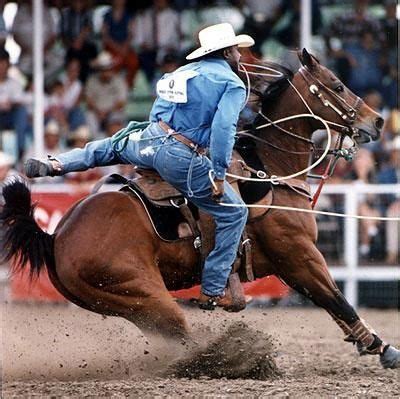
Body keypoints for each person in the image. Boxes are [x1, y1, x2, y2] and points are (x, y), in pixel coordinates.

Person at [24, 23, 254, 310]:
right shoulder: (231, 84)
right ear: (228, 52)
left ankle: (57, 162)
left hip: (150, 140)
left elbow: (158, 112)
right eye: (237, 50)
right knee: (234, 212)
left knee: (109, 146)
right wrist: (218, 173)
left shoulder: (181, 74)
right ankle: (214, 287)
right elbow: (223, 130)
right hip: (180, 157)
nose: (240, 56)